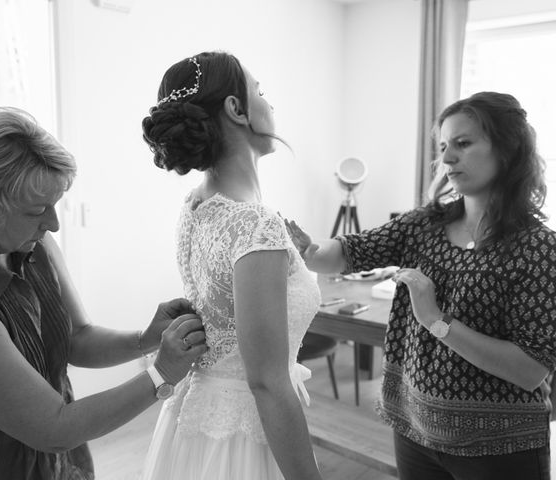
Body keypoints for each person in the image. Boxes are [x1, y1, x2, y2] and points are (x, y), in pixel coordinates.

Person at [0, 107, 207, 480]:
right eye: (38, 209)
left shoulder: (32, 242)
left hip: (56, 467)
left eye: (55, 205)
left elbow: (75, 337)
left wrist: (146, 339)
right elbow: (54, 428)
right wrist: (162, 373)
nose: (52, 223)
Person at [285, 91, 556, 480]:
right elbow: (349, 252)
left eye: (463, 144)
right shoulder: (423, 224)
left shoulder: (539, 249)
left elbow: (530, 369)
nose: (446, 159)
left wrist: (434, 320)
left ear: (508, 150)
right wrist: (309, 250)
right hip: (415, 431)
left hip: (501, 446)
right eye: (444, 146)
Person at [139, 51, 323, 480]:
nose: (269, 102)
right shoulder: (254, 223)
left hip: (198, 417)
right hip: (244, 434)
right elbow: (266, 381)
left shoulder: (197, 205)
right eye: (259, 91)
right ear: (236, 109)